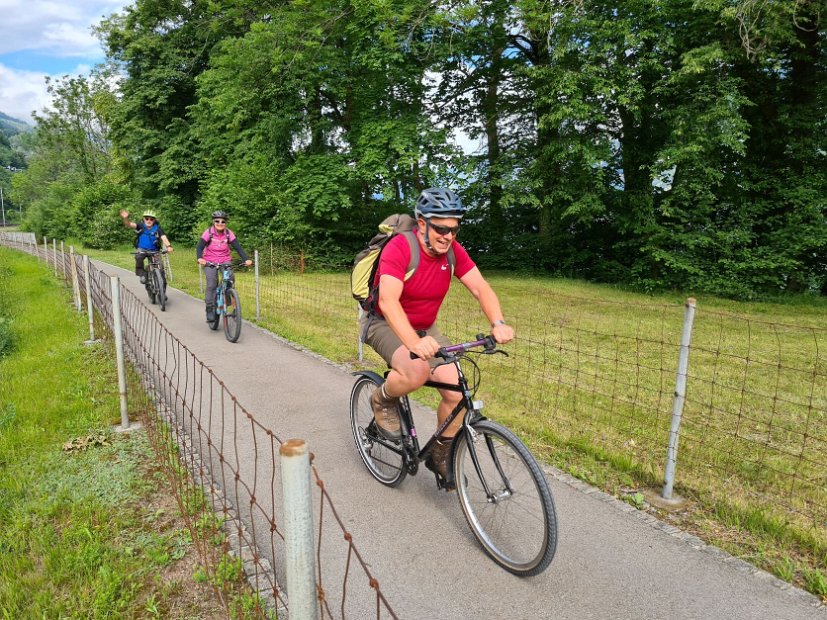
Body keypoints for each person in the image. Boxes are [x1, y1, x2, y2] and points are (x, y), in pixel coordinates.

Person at [360, 187, 514, 487]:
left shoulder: (453, 251)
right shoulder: (401, 248)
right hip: (383, 323)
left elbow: (480, 287)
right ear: (422, 224)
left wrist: (498, 322)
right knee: (416, 370)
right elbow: (389, 302)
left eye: (454, 229)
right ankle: (381, 400)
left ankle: (440, 453)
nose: (448, 236)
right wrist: (414, 344)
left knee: (457, 391)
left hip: (425, 328)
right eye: (441, 229)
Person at [196, 211, 253, 323]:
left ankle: (227, 295)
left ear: (225, 223)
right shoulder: (208, 233)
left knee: (230, 277)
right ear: (213, 222)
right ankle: (209, 309)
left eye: (223, 221)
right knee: (212, 283)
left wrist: (246, 259)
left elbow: (238, 247)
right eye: (217, 221)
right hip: (209, 261)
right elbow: (199, 247)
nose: (220, 223)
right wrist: (200, 258)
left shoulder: (228, 233)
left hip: (225, 260)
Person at [120, 209, 173, 283]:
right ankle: (142, 274)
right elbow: (129, 224)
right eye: (147, 218)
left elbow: (164, 237)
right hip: (142, 249)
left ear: (154, 220)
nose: (149, 220)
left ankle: (162, 290)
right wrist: (125, 218)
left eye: (151, 219)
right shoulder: (141, 226)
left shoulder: (157, 228)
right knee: (138, 256)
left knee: (161, 270)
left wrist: (169, 246)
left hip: (155, 251)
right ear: (143, 219)